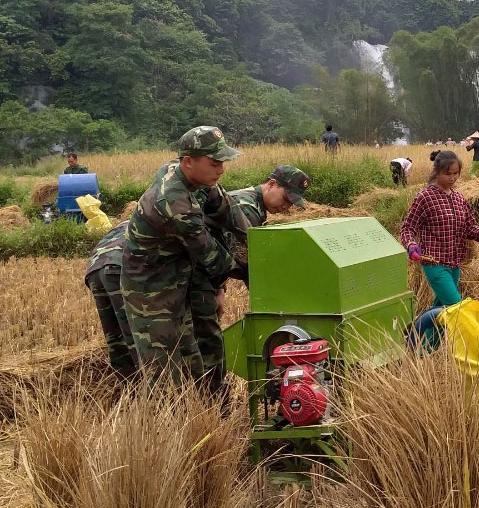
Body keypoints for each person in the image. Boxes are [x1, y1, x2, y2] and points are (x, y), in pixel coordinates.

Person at [121, 126, 248, 391]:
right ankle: (167, 426)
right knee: (164, 369)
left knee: (192, 356)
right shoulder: (174, 203)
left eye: (223, 162)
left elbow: (227, 208)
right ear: (188, 162)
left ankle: (202, 411)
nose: (221, 170)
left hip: (179, 275)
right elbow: (214, 259)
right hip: (151, 289)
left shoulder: (193, 177)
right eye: (214, 163)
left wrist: (259, 242)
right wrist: (254, 270)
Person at [400, 150, 479, 313]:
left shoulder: (459, 198)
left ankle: (421, 339)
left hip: (455, 265)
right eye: (448, 174)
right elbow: (407, 228)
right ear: (436, 172)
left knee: (442, 312)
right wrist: (411, 245)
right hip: (435, 264)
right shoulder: (425, 197)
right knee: (456, 308)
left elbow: (469, 228)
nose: (452, 178)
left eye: (456, 173)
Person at [85, 221, 138, 379]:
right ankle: (148, 390)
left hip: (94, 269)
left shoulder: (127, 222)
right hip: (120, 267)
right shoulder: (155, 222)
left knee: (115, 336)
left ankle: (128, 385)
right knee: (136, 333)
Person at [229, 164, 311, 227]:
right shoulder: (246, 205)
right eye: (285, 199)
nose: (285, 206)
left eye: (291, 203)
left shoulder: (257, 203)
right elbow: (255, 245)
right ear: (272, 184)